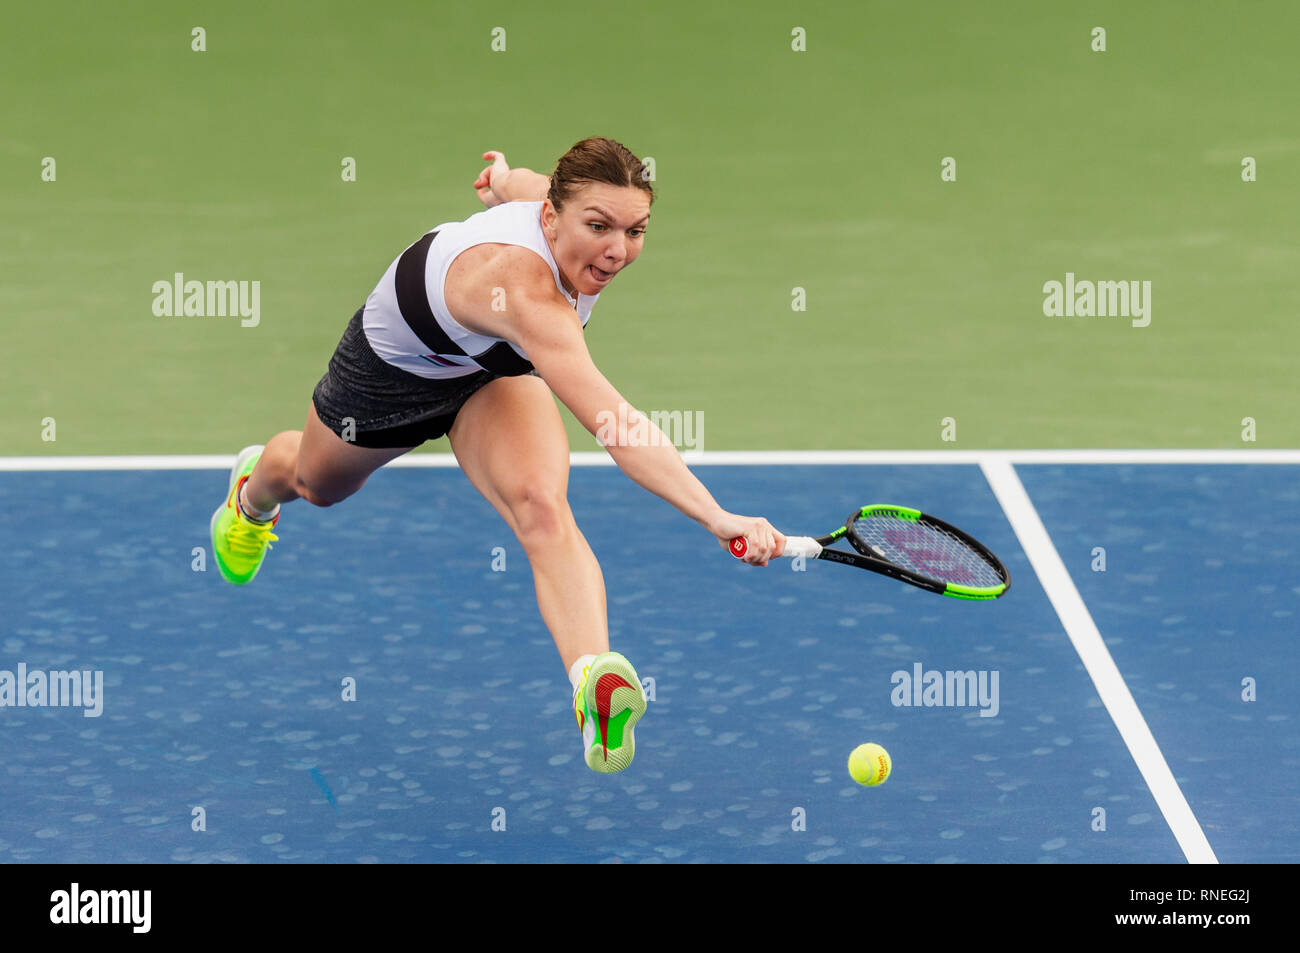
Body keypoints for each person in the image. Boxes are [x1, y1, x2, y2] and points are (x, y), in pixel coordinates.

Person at [209, 137, 785, 774]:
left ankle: (595, 683)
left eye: (635, 230)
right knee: (317, 484)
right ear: (553, 220)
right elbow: (616, 427)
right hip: (394, 372)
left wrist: (503, 178)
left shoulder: (551, 203)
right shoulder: (532, 297)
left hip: (493, 376)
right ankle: (250, 495)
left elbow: (528, 187)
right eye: (599, 227)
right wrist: (715, 515)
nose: (617, 249)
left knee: (541, 506)